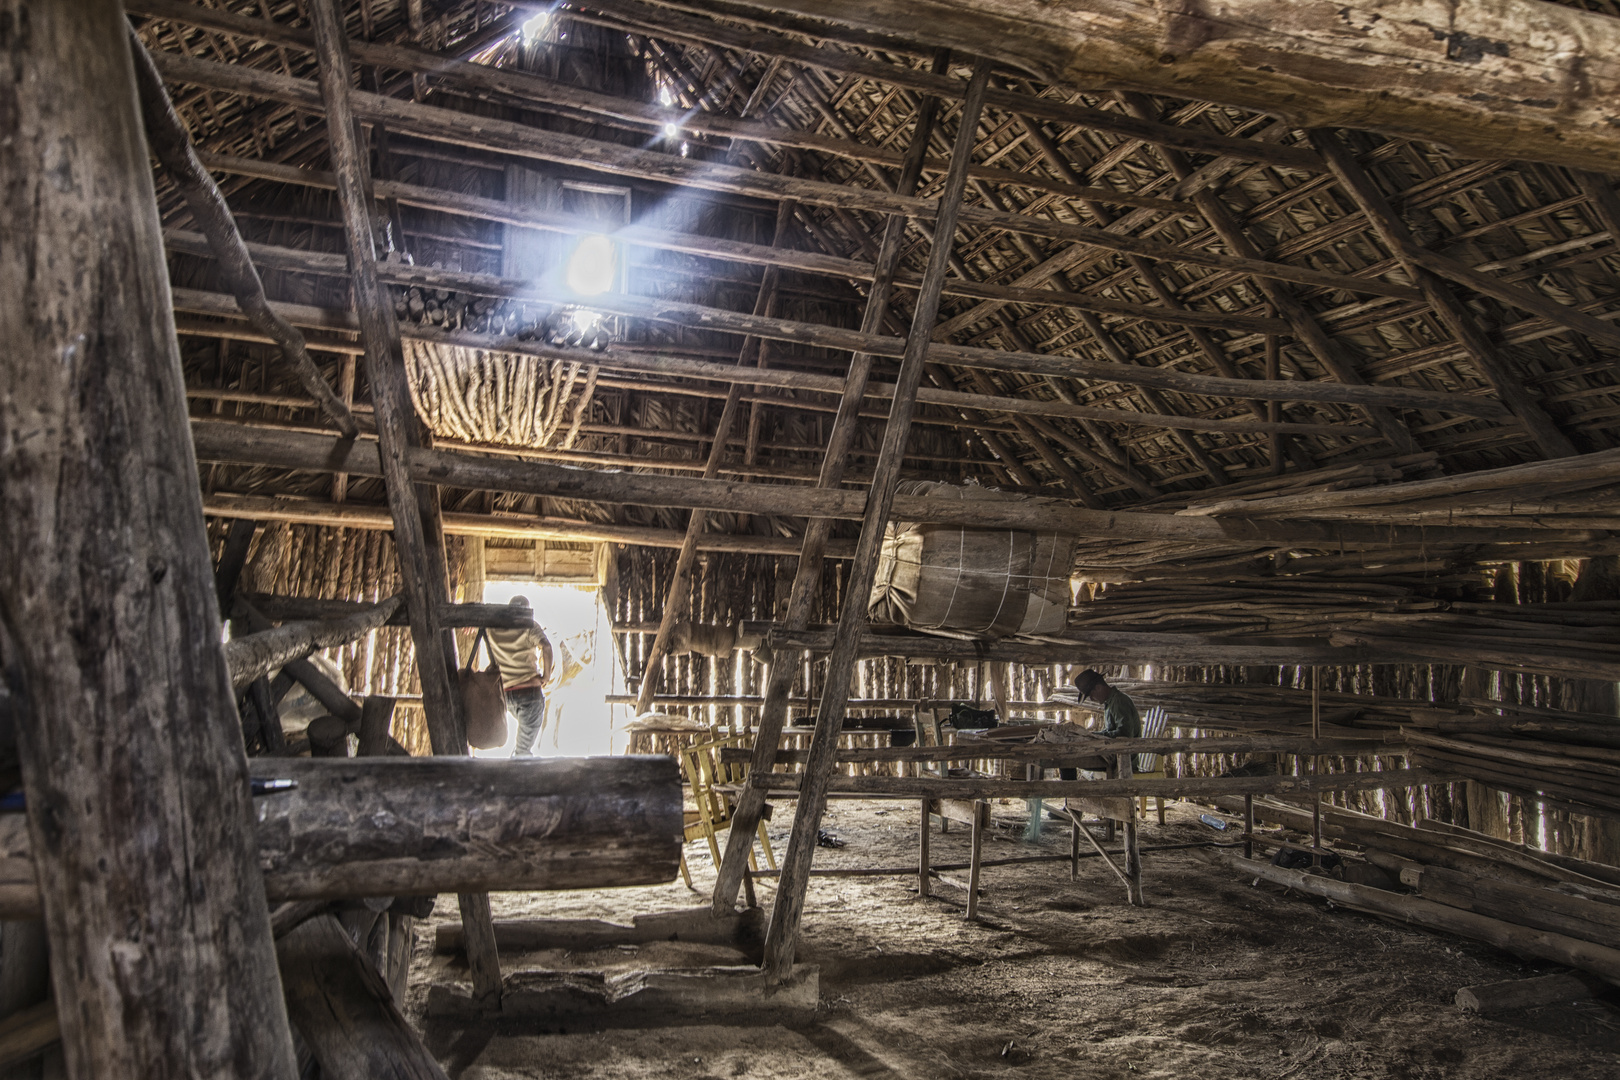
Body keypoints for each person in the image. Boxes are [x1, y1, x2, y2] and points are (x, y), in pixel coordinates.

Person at [487, 596, 554, 756]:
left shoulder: (493, 628)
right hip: (529, 694)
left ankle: (512, 768)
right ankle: (515, 777)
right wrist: (546, 676)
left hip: (506, 696)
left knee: (520, 748)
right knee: (523, 750)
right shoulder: (528, 626)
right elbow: (546, 647)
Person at [1059, 668, 1142, 778]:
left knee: (1067, 759)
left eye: (1091, 695)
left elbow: (1124, 734)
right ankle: (1071, 793)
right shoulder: (1111, 702)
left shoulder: (1119, 702)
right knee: (1067, 757)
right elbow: (1110, 732)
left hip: (1123, 757)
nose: (1092, 699)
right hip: (1114, 753)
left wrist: (1094, 736)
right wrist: (1092, 735)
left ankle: (1070, 793)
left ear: (1098, 688)